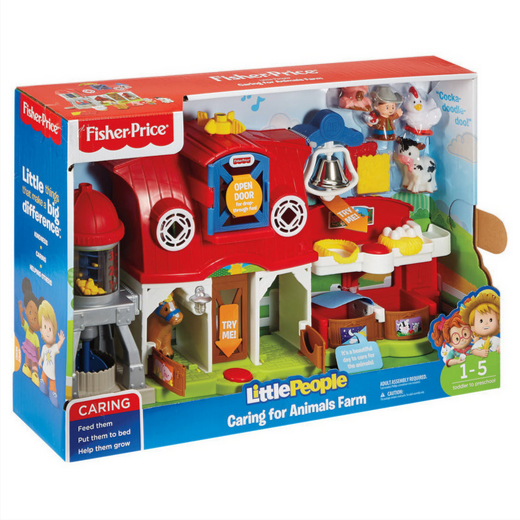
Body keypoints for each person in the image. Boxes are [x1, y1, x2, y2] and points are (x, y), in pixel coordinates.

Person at [38, 300, 65, 408]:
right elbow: (42, 356)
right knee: (44, 375)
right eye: (45, 328)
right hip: (45, 368)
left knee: (52, 381)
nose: (48, 332)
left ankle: (53, 393)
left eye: (50, 329)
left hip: (52, 371)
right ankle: (43, 383)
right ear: (41, 330)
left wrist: (61, 340)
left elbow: (58, 346)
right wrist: (40, 362)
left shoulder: (53, 348)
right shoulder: (44, 347)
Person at [18, 278, 44, 385]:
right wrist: (20, 311)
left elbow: (38, 348)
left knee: (34, 362)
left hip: (33, 352)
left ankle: (35, 373)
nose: (32, 318)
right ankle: (26, 367)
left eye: (36, 318)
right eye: (29, 312)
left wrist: (39, 358)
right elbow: (22, 321)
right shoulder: (27, 328)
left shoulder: (36, 337)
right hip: (28, 349)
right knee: (27, 359)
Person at [460, 289, 500, 354]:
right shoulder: (479, 343)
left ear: (499, 323)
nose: (486, 323)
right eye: (481, 321)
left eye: (490, 320)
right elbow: (474, 351)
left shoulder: (497, 340)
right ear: (473, 327)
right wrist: (480, 353)